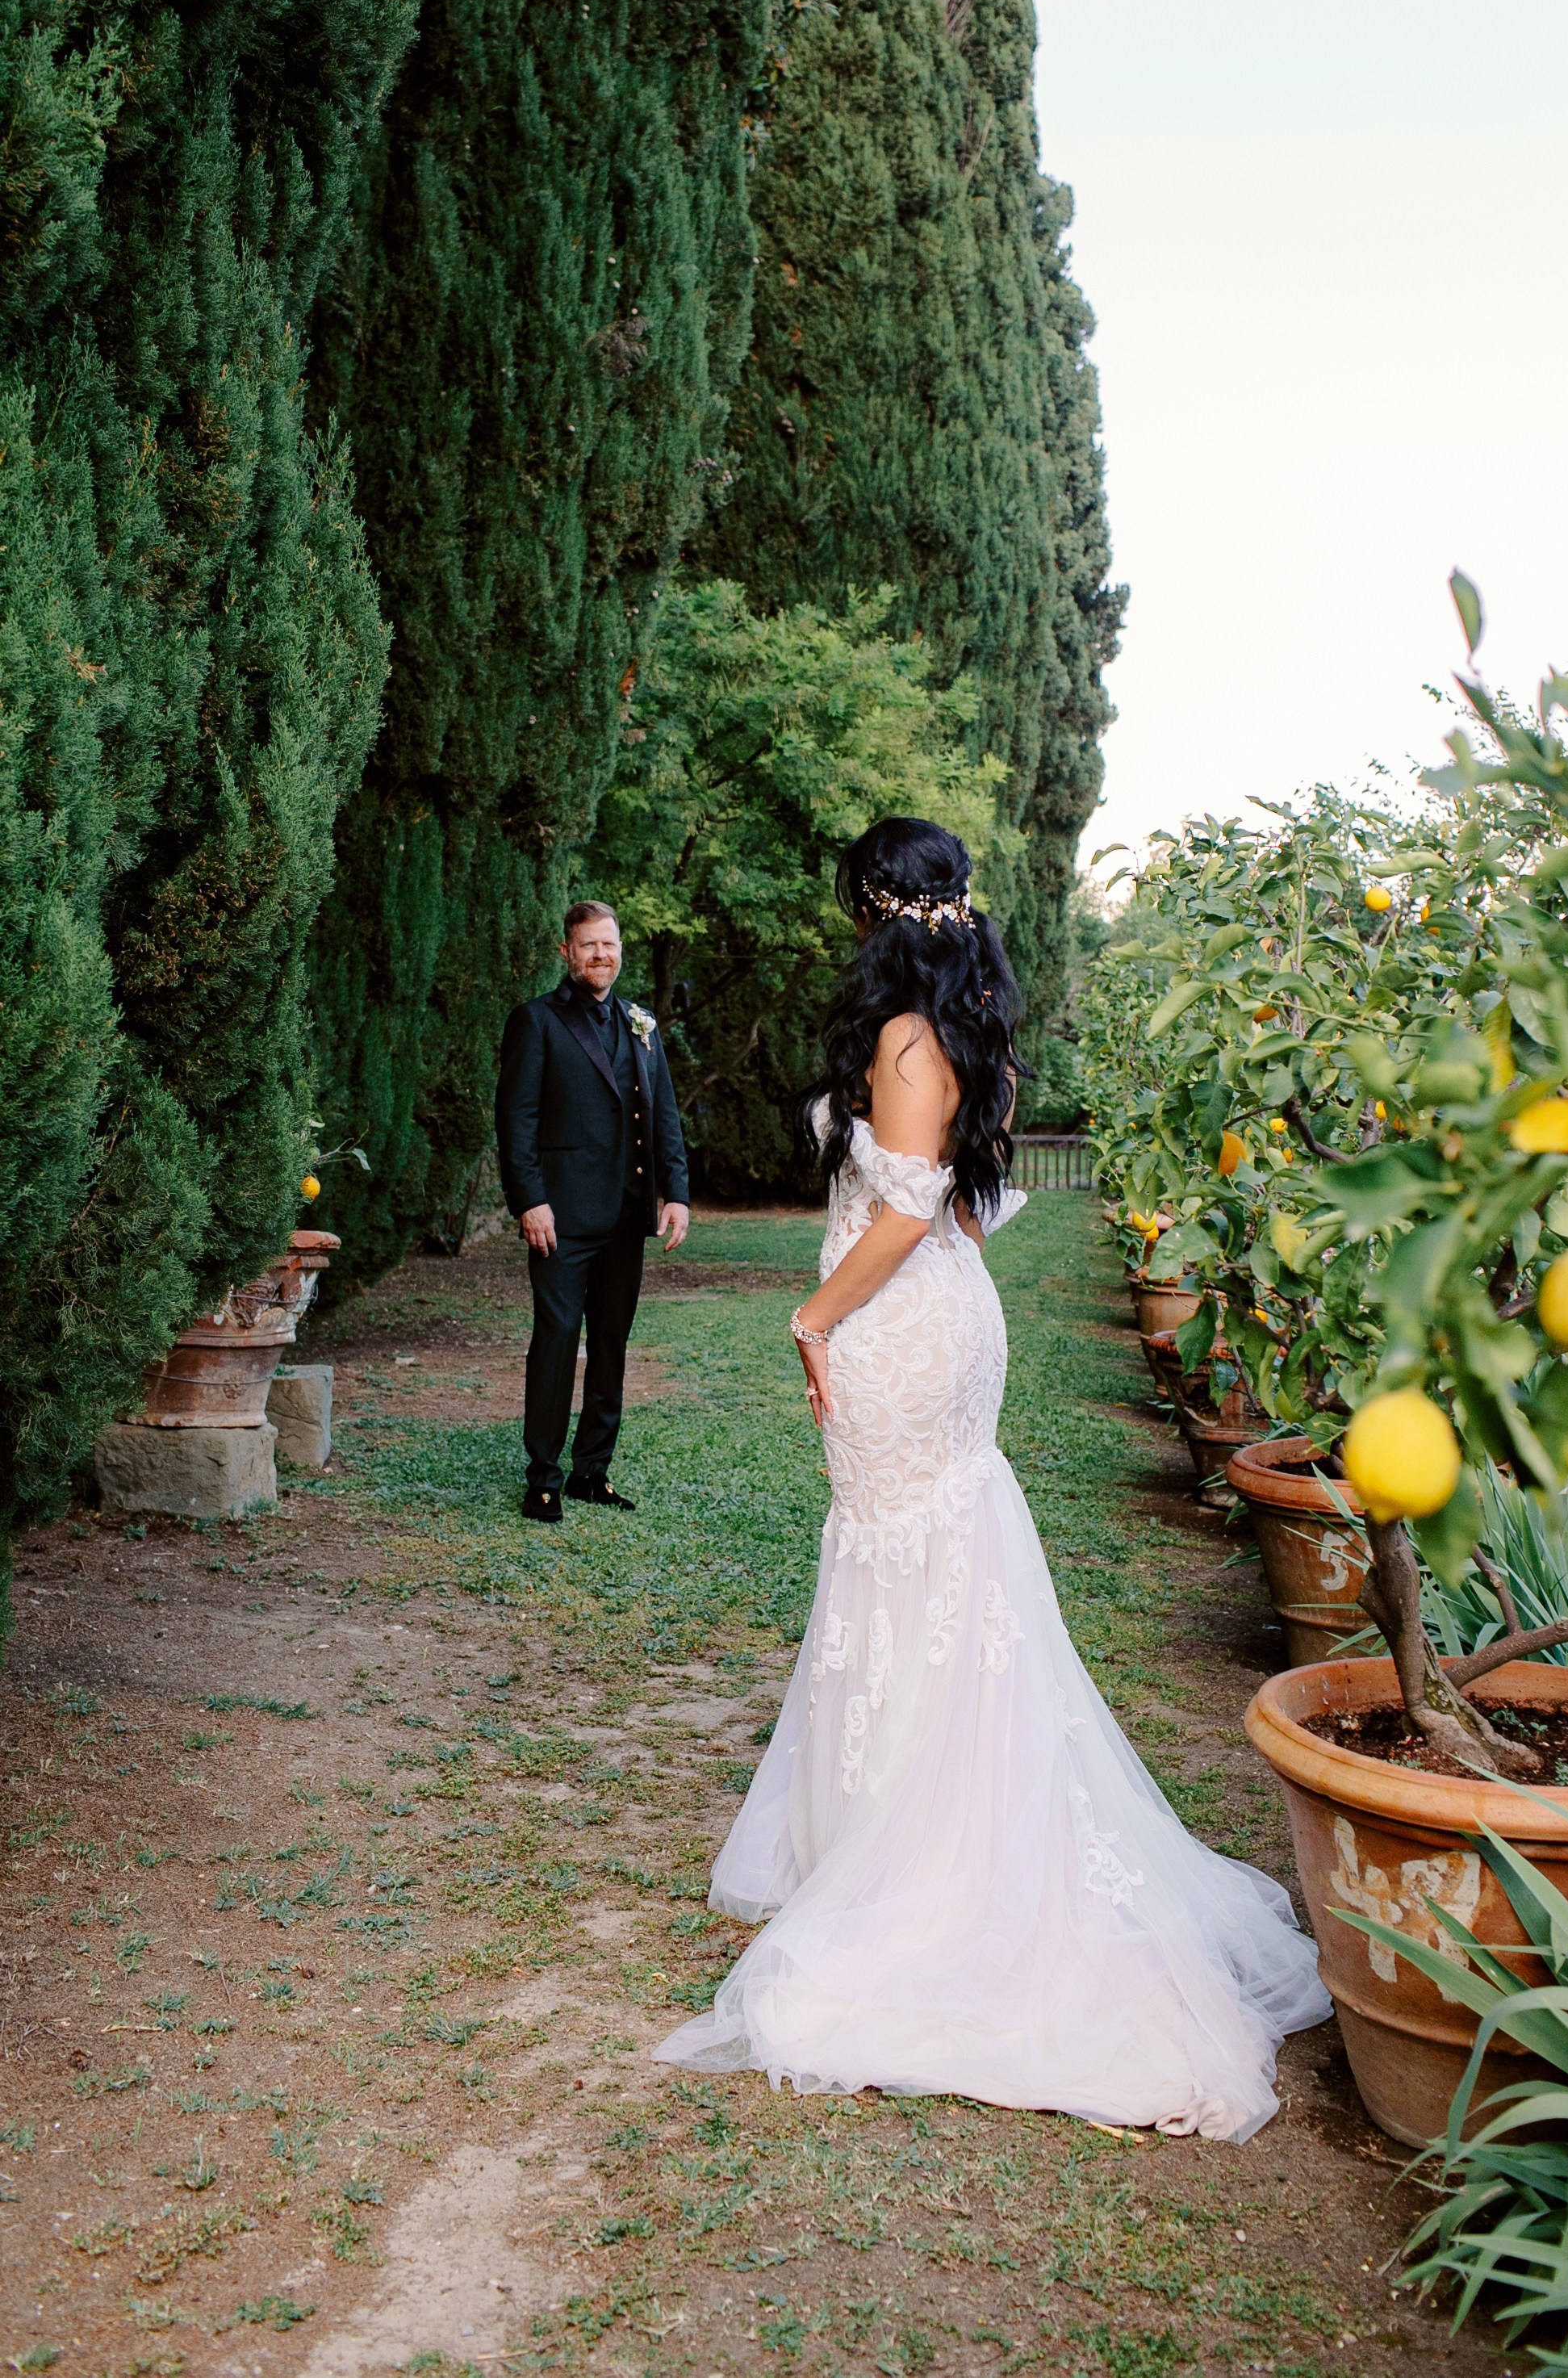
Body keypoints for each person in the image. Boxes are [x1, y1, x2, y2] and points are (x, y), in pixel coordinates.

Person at [654, 818, 1328, 2137]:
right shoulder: (964, 1040)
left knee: (910, 1549)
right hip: (938, 1321)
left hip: (903, 1323)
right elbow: (963, 1204)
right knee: (909, 1554)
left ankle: (923, 1864)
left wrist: (810, 1316)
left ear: (870, 907)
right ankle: (873, 1828)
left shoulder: (907, 1041)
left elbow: (908, 1216)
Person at [494, 901, 690, 1522]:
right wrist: (530, 1201)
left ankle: (592, 1472)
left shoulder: (642, 1024)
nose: (600, 955)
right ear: (566, 952)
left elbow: (664, 1117)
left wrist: (676, 1193)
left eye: (609, 944)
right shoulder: (536, 1021)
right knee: (555, 1343)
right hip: (560, 1218)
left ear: (620, 948)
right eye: (587, 945)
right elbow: (516, 1121)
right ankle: (543, 1479)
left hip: (627, 1217)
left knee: (611, 1345)